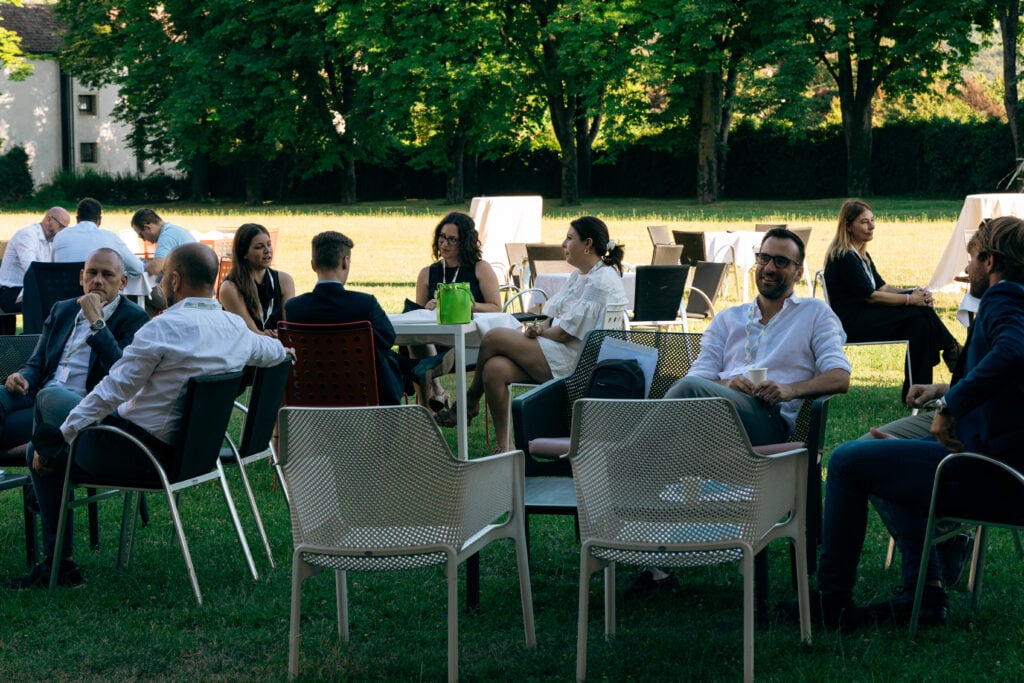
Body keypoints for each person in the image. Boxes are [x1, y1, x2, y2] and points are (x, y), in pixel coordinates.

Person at [6, 242, 290, 589]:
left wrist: (60, 436)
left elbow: (113, 390)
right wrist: (288, 350)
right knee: (47, 446)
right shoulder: (234, 329)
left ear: (174, 280)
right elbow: (276, 352)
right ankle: (55, 544)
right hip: (192, 456)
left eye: (164, 278)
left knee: (49, 401)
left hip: (137, 455)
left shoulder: (162, 328)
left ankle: (58, 565)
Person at [806, 216, 1024, 629]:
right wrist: (945, 389)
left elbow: (1012, 352)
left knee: (848, 461)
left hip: (991, 473)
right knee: (881, 452)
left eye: (972, 259)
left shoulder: (1004, 298)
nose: (967, 268)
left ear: (991, 261)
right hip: (1000, 464)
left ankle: (831, 600)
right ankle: (923, 594)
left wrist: (950, 406)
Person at [434, 216, 628, 452]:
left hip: (577, 363)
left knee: (494, 337)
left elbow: (565, 334)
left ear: (587, 244)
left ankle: (471, 399)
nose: (563, 244)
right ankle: (505, 445)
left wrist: (540, 333)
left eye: (569, 238)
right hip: (560, 351)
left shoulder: (601, 280)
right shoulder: (580, 275)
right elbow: (554, 317)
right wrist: (541, 328)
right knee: (494, 369)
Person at [665, 227, 851, 445]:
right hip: (714, 414)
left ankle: (633, 454)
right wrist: (728, 385)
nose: (769, 268)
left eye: (781, 262)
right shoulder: (728, 318)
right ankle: (640, 456)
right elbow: (699, 378)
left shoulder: (814, 313)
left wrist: (790, 390)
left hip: (767, 420)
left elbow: (840, 377)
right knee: (687, 398)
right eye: (764, 258)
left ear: (799, 273)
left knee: (688, 390)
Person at [0, 248, 149, 453]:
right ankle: (32, 450)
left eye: (107, 275)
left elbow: (120, 371)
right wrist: (22, 376)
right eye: (92, 273)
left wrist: (96, 321)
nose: (98, 280)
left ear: (123, 282)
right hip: (38, 393)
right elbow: (37, 362)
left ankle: (37, 449)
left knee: (41, 405)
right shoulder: (62, 309)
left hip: (81, 405)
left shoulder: (134, 318)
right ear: (81, 277)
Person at [285, 231, 453, 405]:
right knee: (377, 346)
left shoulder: (294, 309)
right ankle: (415, 367)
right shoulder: (364, 304)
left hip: (311, 394)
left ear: (313, 265)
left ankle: (415, 367)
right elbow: (388, 339)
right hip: (365, 394)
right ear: (345, 262)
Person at [823, 199, 961, 395]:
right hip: (851, 323)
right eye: (864, 222)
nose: (872, 226)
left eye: (872, 220)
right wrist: (911, 300)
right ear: (848, 226)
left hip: (867, 315)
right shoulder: (844, 257)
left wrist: (915, 293)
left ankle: (917, 393)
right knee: (917, 312)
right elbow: (871, 296)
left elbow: (884, 287)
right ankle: (951, 348)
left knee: (920, 324)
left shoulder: (861, 255)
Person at [412, 211, 501, 411]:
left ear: (465, 242)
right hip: (434, 341)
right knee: (415, 341)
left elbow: (497, 308)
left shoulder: (480, 268)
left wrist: (463, 305)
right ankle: (432, 399)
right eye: (442, 237)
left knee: (417, 357)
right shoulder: (427, 273)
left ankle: (431, 403)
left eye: (452, 239)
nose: (444, 244)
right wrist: (427, 308)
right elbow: (417, 317)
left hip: (470, 343)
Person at [0, 206, 71, 334]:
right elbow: (31, 269)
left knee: (64, 302)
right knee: (45, 304)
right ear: (49, 219)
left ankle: (41, 340)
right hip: (9, 292)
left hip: (30, 290)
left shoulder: (52, 241)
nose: (62, 232)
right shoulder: (27, 235)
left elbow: (54, 271)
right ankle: (33, 340)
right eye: (61, 227)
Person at [218, 223, 294, 337]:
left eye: (269, 244)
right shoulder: (230, 288)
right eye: (259, 247)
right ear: (244, 253)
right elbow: (251, 333)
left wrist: (281, 336)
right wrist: (270, 337)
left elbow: (289, 328)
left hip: (279, 344)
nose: (267, 250)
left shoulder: (285, 281)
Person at [51, 198, 145, 277]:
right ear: (99, 220)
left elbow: (53, 268)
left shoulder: (59, 236)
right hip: (98, 292)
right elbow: (137, 268)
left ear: (77, 219)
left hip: (64, 291)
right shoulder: (110, 237)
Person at [130, 208, 196, 276]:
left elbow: (156, 268)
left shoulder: (167, 235)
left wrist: (138, 266)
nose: (144, 240)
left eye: (141, 235)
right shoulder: (174, 230)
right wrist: (149, 262)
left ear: (148, 228)